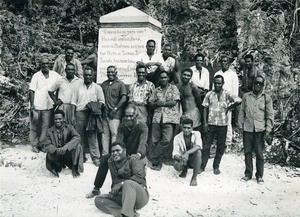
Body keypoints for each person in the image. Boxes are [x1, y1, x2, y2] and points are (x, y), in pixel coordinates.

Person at [86, 105, 148, 199]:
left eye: (131, 116)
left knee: (137, 174)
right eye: (126, 116)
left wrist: (138, 154)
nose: (128, 118)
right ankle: (96, 188)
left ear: (136, 115)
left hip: (138, 154)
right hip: (125, 153)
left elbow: (143, 142)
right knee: (106, 158)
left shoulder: (142, 126)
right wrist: (117, 153)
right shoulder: (122, 126)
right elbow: (119, 142)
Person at [94, 141, 149, 217]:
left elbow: (140, 177)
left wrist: (121, 184)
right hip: (121, 196)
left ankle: (127, 215)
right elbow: (104, 161)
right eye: (113, 151)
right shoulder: (111, 161)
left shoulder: (133, 160)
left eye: (118, 150)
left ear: (124, 151)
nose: (115, 153)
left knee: (128, 183)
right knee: (98, 200)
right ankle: (127, 212)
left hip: (139, 196)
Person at [201, 75, 241, 175]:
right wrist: (205, 123)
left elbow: (239, 100)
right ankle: (202, 166)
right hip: (210, 124)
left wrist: (230, 107)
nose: (217, 85)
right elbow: (204, 107)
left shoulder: (227, 93)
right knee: (206, 146)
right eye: (215, 83)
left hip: (223, 124)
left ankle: (216, 166)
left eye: (219, 83)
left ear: (223, 84)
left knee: (220, 146)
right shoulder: (209, 94)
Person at [238, 75, 274, 184]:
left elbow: (270, 115)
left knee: (259, 153)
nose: (257, 85)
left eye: (260, 83)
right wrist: (241, 126)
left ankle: (259, 175)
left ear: (263, 86)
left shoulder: (266, 98)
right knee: (247, 152)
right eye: (256, 83)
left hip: (260, 130)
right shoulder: (246, 96)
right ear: (253, 84)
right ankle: (248, 173)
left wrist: (268, 130)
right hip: (247, 129)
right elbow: (242, 112)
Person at [71, 67, 105, 166]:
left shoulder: (97, 88)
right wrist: (73, 116)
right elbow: (73, 102)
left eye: (90, 75)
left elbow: (102, 101)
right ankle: (80, 156)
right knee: (79, 136)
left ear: (93, 76)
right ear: (83, 76)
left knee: (92, 136)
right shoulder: (77, 87)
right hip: (80, 113)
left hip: (92, 115)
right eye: (86, 75)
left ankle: (95, 158)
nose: (88, 77)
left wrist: (95, 108)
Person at [148, 71, 181, 170]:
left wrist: (161, 103)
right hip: (157, 118)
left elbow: (174, 102)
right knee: (155, 140)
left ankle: (152, 158)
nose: (163, 79)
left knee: (166, 140)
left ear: (168, 78)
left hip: (169, 118)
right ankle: (157, 163)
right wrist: (154, 104)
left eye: (165, 77)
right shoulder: (156, 90)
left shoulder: (174, 88)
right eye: (161, 78)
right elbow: (151, 102)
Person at [29, 57, 61, 153]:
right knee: (34, 125)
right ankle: (34, 145)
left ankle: (42, 144)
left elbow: (63, 81)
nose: (45, 65)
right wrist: (32, 105)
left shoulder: (55, 75)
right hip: (37, 104)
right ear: (40, 65)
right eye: (43, 64)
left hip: (48, 105)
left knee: (45, 125)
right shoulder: (36, 76)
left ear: (49, 64)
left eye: (47, 63)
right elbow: (31, 91)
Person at [42, 110, 83, 177]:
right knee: (49, 153)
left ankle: (74, 167)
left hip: (67, 154)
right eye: (56, 119)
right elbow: (46, 144)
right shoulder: (49, 131)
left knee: (78, 146)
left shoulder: (70, 127)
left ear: (64, 119)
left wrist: (65, 147)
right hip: (56, 155)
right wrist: (56, 150)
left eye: (60, 119)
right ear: (53, 120)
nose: (58, 121)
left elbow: (77, 137)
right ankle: (57, 166)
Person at [214, 55, 239, 151]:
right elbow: (214, 88)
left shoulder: (233, 75)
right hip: (217, 101)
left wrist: (233, 103)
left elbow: (235, 90)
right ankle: (219, 143)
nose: (224, 63)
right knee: (217, 123)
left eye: (226, 61)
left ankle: (228, 144)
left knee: (227, 123)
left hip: (228, 101)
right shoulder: (217, 73)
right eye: (222, 61)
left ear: (229, 63)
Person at [101, 65, 127, 156]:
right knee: (105, 135)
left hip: (115, 115)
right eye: (108, 72)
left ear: (116, 73)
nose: (110, 74)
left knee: (114, 135)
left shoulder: (120, 84)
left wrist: (115, 109)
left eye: (112, 72)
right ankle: (105, 155)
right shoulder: (104, 84)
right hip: (105, 114)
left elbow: (124, 98)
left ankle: (114, 155)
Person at [173, 118, 202, 186]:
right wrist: (181, 158)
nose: (186, 130)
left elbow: (199, 146)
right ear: (181, 127)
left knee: (198, 152)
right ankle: (184, 169)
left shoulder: (197, 134)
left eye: (188, 128)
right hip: (183, 159)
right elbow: (175, 153)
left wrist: (187, 153)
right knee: (176, 166)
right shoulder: (177, 137)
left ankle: (194, 177)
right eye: (184, 127)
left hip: (193, 159)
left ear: (192, 128)